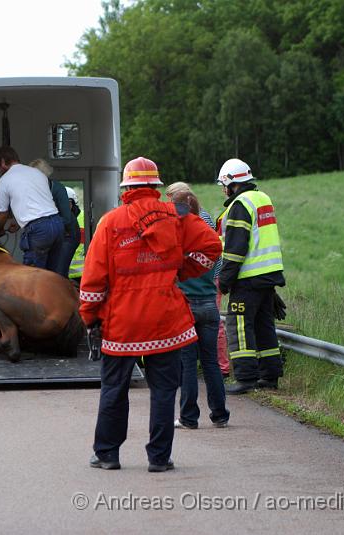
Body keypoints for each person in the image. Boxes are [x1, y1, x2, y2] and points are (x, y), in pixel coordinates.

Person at [80, 157, 222, 472]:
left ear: (126, 188)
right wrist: (180, 272)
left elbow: (93, 279)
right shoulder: (177, 216)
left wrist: (90, 317)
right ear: (155, 187)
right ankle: (158, 458)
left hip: (122, 323)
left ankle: (107, 454)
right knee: (163, 390)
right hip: (167, 320)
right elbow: (212, 246)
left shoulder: (110, 222)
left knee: (114, 389)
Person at [215, 158, 285, 394]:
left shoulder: (239, 205)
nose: (223, 190)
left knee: (240, 325)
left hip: (248, 278)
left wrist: (224, 282)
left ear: (231, 183)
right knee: (264, 325)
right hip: (268, 276)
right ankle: (270, 376)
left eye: (223, 184)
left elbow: (236, 249)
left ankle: (246, 377)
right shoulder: (262, 198)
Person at [164, 182, 229, 430]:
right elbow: (216, 268)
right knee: (211, 361)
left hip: (186, 308)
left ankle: (189, 417)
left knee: (188, 364)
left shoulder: (176, 236)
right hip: (209, 306)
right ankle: (220, 414)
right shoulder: (209, 236)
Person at [0, 146, 65, 274]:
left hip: (38, 231)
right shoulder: (36, 173)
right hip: (57, 224)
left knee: (32, 278)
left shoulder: (4, 180)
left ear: (3, 162)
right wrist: (20, 223)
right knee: (54, 277)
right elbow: (37, 203)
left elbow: (2, 214)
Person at [29, 159, 77, 276]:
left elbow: (66, 218)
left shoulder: (58, 189)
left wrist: (44, 225)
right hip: (49, 234)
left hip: (67, 235)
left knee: (58, 274)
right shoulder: (33, 190)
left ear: (44, 175)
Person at [65, 186, 86, 282]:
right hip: (62, 273)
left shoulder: (85, 217)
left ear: (73, 203)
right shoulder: (56, 220)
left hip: (84, 274)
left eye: (67, 203)